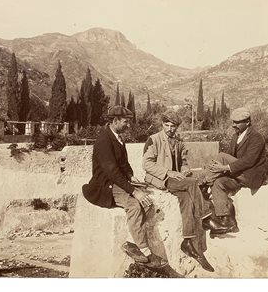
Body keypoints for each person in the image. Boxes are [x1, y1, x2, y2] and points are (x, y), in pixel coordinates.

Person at [142, 110, 227, 272]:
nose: (169, 129)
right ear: (162, 125)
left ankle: (188, 241)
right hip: (161, 179)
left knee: (187, 199)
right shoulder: (153, 139)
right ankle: (207, 218)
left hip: (178, 181)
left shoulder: (179, 141)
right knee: (193, 183)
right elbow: (147, 164)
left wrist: (184, 169)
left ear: (177, 127)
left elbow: (184, 161)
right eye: (166, 125)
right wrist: (168, 172)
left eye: (173, 126)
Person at [82, 105, 166, 268]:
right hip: (105, 185)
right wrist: (134, 191)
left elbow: (124, 164)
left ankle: (133, 239)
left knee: (147, 201)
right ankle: (142, 249)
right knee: (134, 206)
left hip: (118, 181)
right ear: (115, 121)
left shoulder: (118, 137)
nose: (129, 125)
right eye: (126, 122)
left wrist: (131, 177)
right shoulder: (103, 141)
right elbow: (111, 171)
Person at [202, 107, 267, 234]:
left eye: (237, 122)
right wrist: (221, 170)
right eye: (233, 122)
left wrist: (225, 168)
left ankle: (203, 184)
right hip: (238, 175)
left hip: (251, 176)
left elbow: (249, 161)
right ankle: (227, 221)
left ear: (247, 122)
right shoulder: (235, 137)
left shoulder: (256, 137)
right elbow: (232, 157)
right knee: (218, 183)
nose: (233, 125)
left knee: (221, 156)